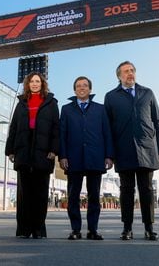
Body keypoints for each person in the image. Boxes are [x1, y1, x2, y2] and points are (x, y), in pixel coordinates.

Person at [104, 61, 159, 241]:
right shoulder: (111, 96)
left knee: (146, 189)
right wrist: (109, 153)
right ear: (119, 76)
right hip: (123, 149)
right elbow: (107, 127)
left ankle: (149, 227)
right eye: (125, 71)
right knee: (126, 190)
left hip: (147, 148)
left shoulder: (148, 93)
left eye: (132, 71)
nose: (130, 74)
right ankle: (127, 228)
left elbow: (158, 121)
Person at [59, 76, 114, 240]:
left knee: (94, 196)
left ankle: (93, 230)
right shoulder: (66, 109)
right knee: (73, 196)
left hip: (95, 157)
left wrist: (109, 156)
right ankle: (75, 229)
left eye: (85, 85)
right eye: (78, 86)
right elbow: (62, 135)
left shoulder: (101, 109)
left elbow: (107, 133)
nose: (81, 88)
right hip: (73, 158)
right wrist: (62, 156)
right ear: (74, 90)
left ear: (90, 89)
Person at [5, 72, 59, 239]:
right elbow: (13, 127)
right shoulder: (21, 103)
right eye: (32, 82)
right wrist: (10, 150)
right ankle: (23, 230)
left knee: (41, 194)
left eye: (38, 81)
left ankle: (38, 230)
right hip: (23, 151)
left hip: (43, 153)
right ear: (27, 84)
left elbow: (56, 128)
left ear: (42, 84)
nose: (35, 84)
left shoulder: (51, 103)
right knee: (24, 195)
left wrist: (54, 149)